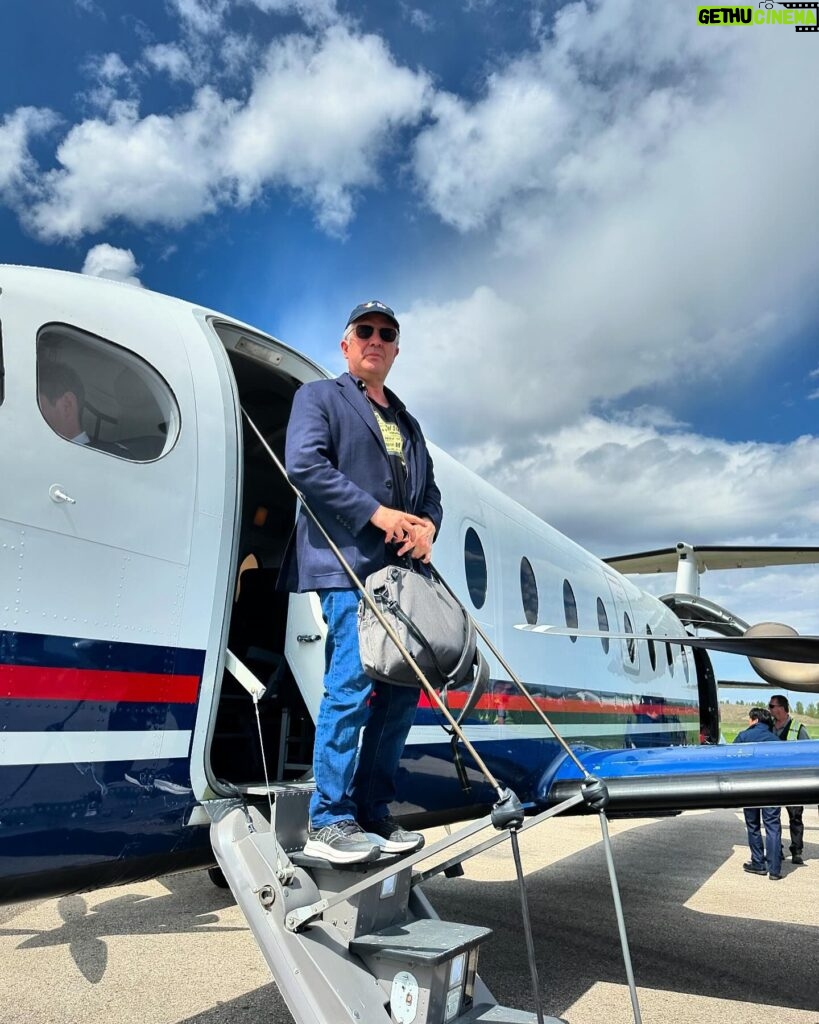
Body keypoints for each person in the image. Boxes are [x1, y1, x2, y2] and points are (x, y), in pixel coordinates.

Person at [280, 300, 443, 865]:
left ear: (396, 350)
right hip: (347, 564)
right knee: (351, 682)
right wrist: (378, 515)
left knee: (400, 692)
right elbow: (304, 464)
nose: (376, 339)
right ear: (347, 345)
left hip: (401, 577)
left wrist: (427, 528)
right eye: (365, 331)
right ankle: (330, 818)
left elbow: (430, 495)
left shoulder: (408, 423)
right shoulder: (319, 397)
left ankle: (374, 810)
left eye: (387, 334)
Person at [733, 708, 783, 880]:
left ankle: (758, 863)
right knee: (773, 827)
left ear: (754, 720)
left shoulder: (743, 737)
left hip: (750, 788)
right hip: (772, 789)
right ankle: (775, 870)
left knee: (753, 826)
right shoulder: (776, 740)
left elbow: (731, 759)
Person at [768, 694, 810, 865]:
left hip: (793, 780)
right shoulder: (768, 727)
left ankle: (797, 850)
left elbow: (807, 753)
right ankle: (777, 849)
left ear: (782, 708)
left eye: (772, 706)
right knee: (772, 817)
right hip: (773, 780)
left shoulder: (798, 728)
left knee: (795, 816)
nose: (769, 709)